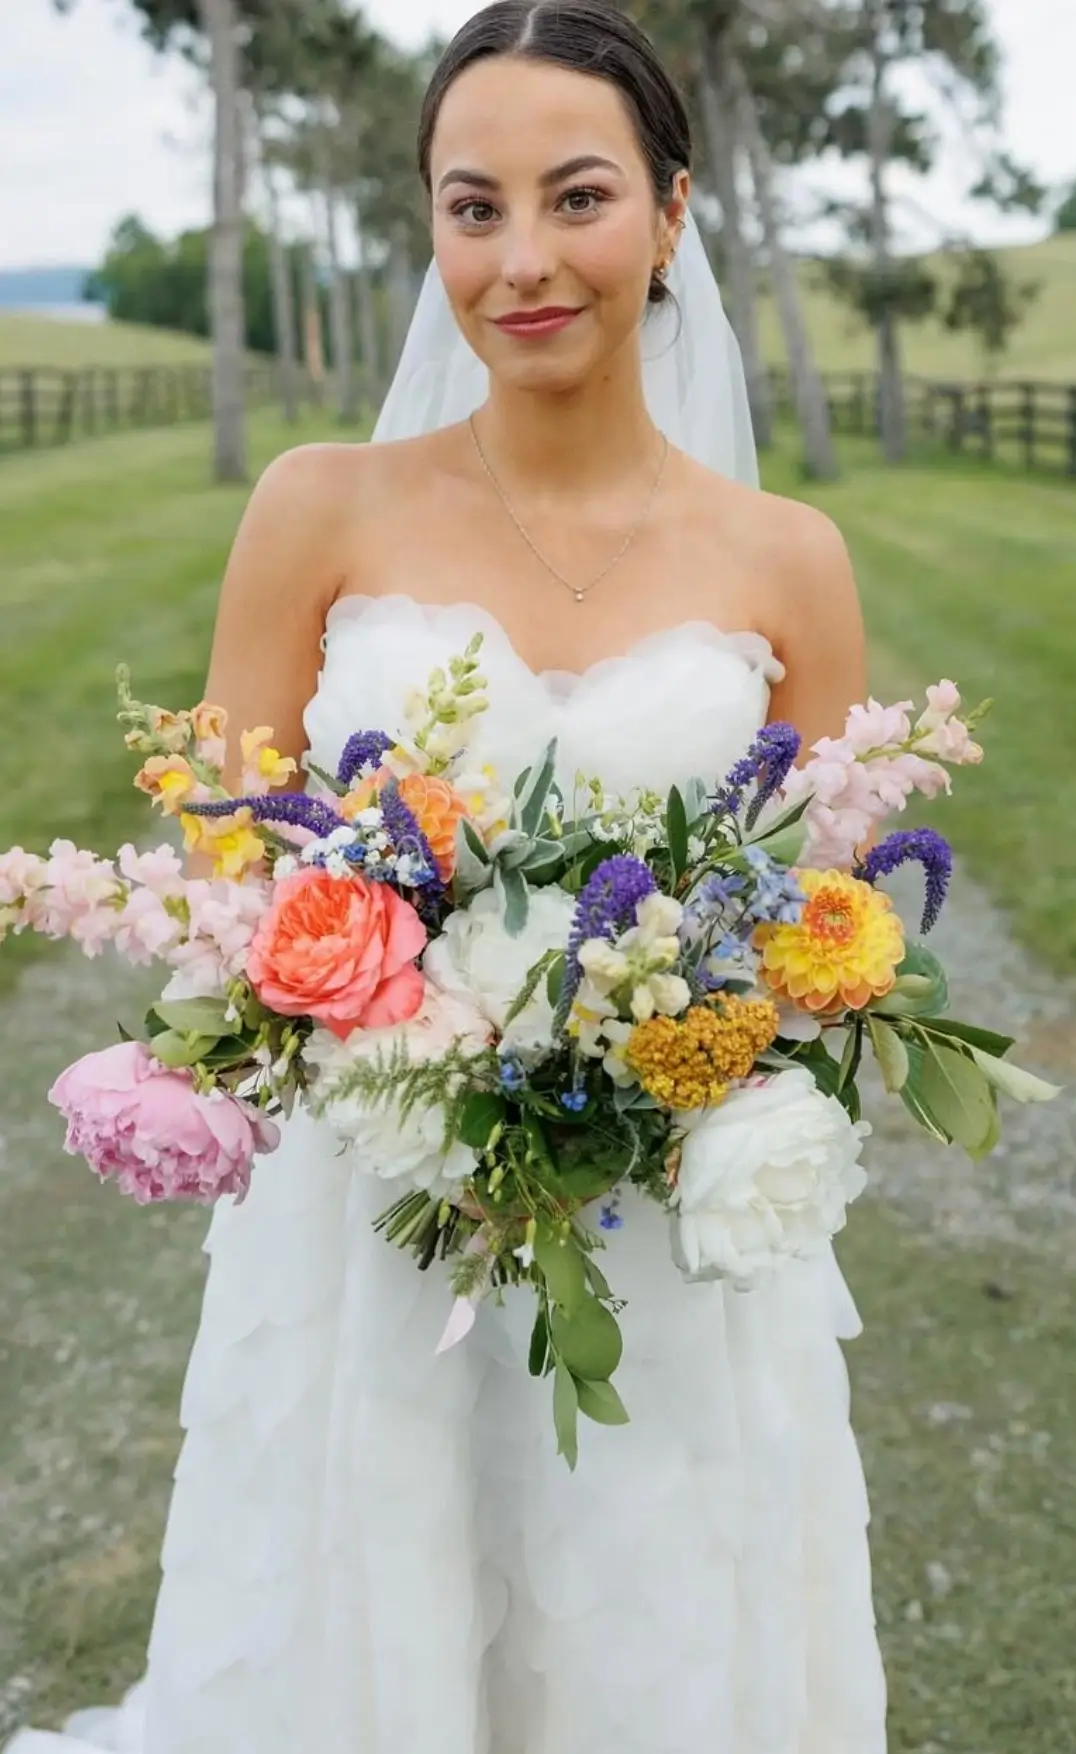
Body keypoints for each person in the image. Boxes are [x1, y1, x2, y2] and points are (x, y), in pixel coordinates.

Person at [7, 3, 886, 1750]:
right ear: (430, 226)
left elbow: (826, 928)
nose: (524, 258)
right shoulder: (318, 508)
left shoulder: (791, 558)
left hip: (658, 1225)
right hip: (369, 1211)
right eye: (471, 207)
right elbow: (222, 866)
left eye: (576, 198)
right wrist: (410, 1008)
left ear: (672, 212)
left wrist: (655, 1040)